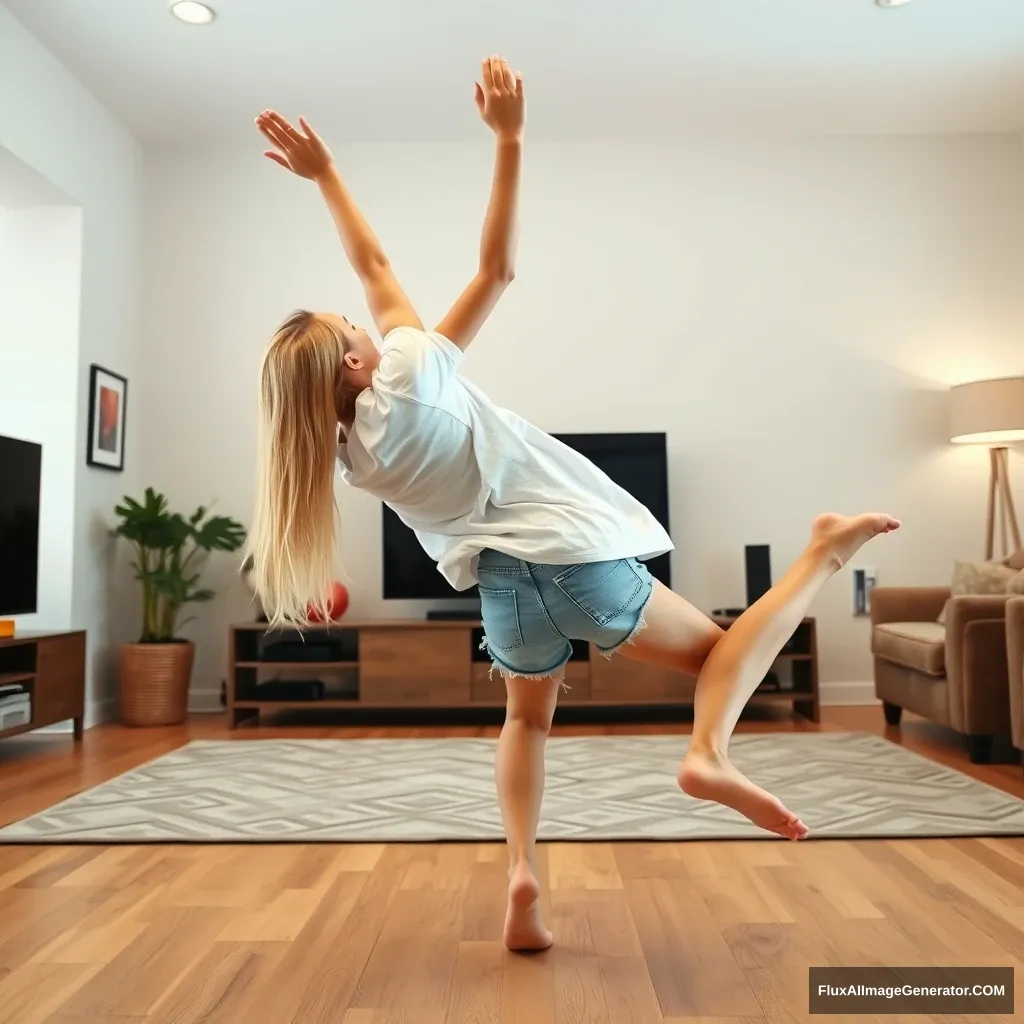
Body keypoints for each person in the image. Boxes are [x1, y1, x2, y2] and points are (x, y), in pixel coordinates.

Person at [246, 56, 900, 952]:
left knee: (525, 718)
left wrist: (323, 178)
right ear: (359, 364)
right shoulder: (412, 372)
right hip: (580, 562)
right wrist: (505, 141)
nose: (366, 322)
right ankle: (776, 634)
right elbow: (468, 267)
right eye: (353, 328)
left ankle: (522, 871)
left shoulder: (353, 457)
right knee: (720, 660)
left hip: (504, 596)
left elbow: (372, 279)